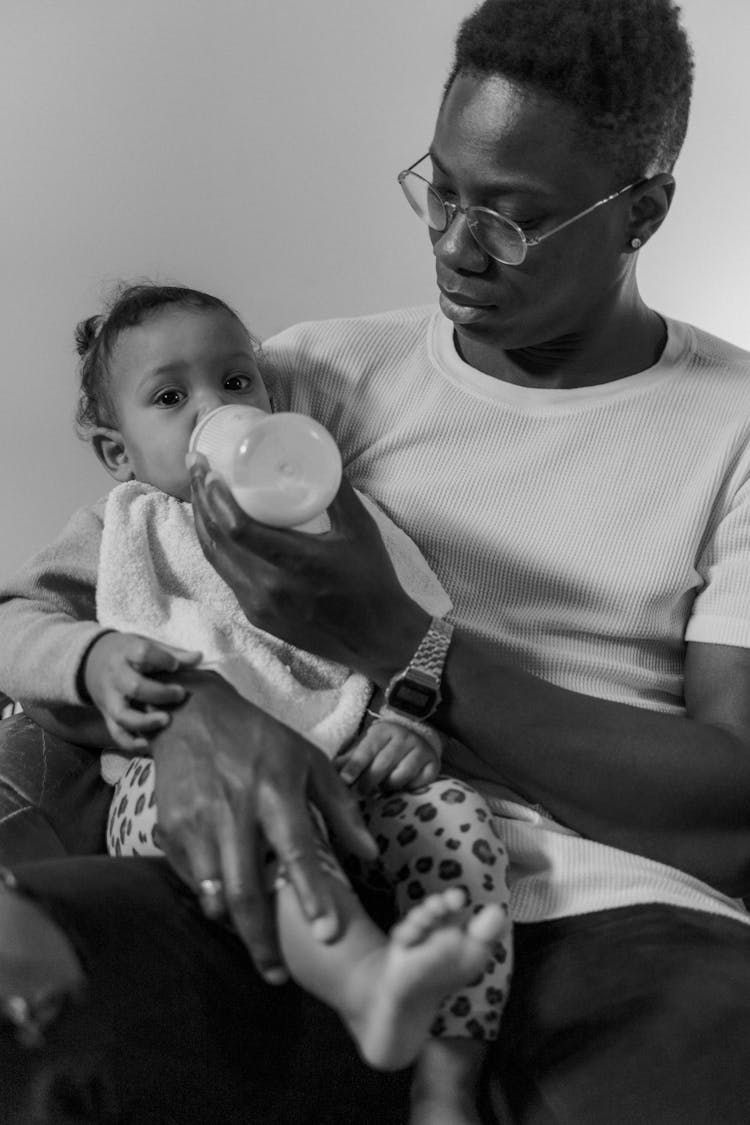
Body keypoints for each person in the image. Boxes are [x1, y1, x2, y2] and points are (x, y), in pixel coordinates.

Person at [2, 0, 750, 1122]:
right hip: (301, 865)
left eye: (511, 220)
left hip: (604, 916)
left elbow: (730, 805)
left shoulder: (732, 430)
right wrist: (189, 709)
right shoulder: (304, 377)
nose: (453, 244)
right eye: (442, 189)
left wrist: (402, 643)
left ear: (642, 210)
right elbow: (63, 604)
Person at [0, 282, 510, 1125]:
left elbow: (420, 633)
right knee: (258, 816)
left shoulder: (329, 510)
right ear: (118, 450)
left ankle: (448, 1080)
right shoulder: (123, 526)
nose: (213, 410)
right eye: (171, 397)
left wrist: (407, 724)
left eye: (236, 382)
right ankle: (363, 982)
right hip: (184, 788)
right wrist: (92, 659)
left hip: (347, 770)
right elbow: (14, 622)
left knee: (459, 820)